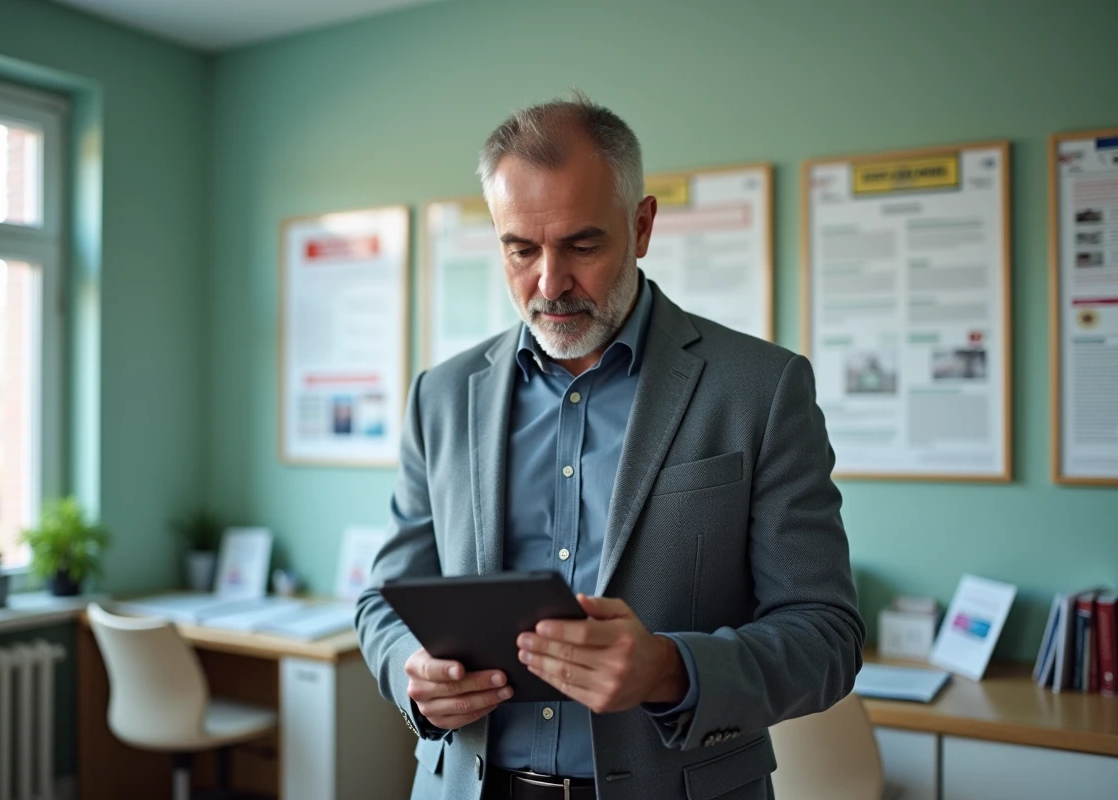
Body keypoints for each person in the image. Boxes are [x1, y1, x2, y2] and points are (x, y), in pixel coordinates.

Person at [356, 92, 864, 800]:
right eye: (521, 249)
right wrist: (413, 670)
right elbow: (383, 601)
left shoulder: (761, 389)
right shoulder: (440, 396)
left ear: (643, 225)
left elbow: (827, 636)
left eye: (582, 245)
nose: (550, 282)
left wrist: (670, 670)